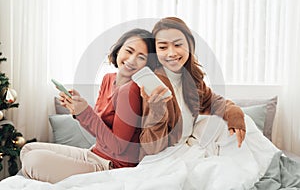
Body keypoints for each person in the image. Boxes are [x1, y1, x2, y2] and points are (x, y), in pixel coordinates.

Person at [20, 28, 156, 183]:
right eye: (129, 51)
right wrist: (78, 110)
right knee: (28, 149)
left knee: (33, 160)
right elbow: (98, 131)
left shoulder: (130, 90)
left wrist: (84, 112)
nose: (132, 60)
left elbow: (118, 147)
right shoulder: (108, 79)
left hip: (112, 166)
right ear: (118, 51)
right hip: (95, 153)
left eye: (141, 57)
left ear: (147, 65)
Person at [139, 17, 246, 157]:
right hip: (165, 156)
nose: (171, 53)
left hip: (188, 147)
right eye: (163, 47)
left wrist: (235, 114)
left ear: (190, 46)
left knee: (234, 123)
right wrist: (157, 112)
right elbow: (151, 148)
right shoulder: (153, 84)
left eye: (178, 45)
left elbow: (215, 102)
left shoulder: (190, 78)